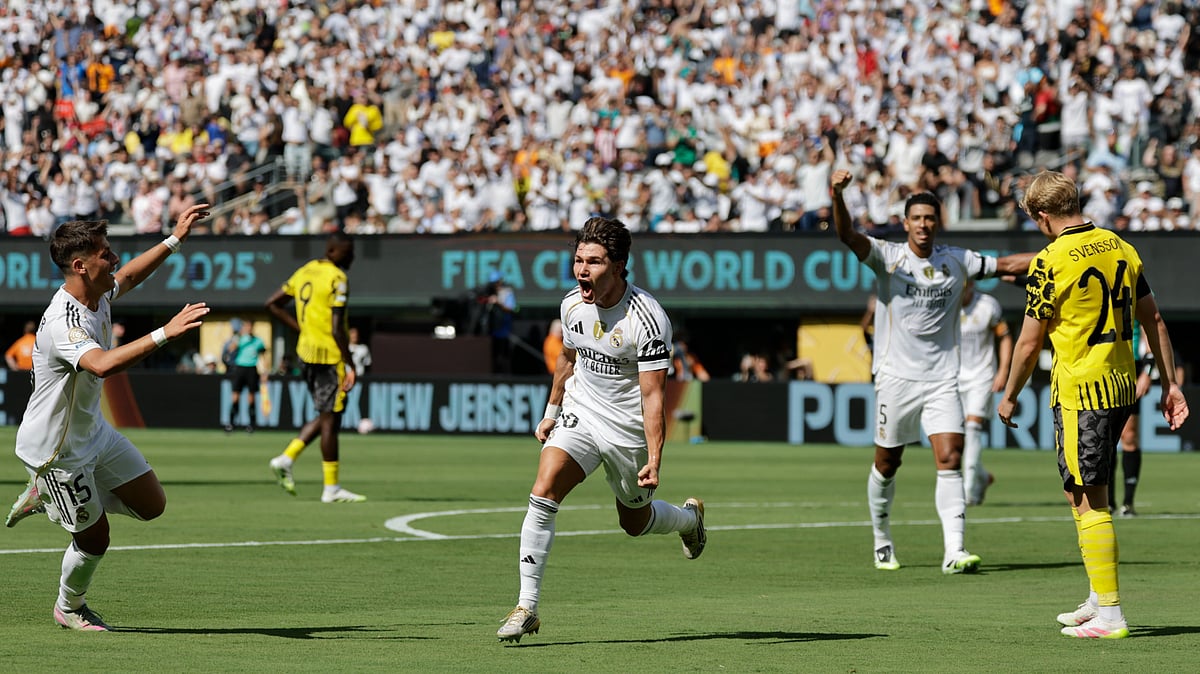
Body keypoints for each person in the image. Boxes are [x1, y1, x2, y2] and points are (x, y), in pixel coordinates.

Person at [998, 170, 1189, 639]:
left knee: (1090, 499)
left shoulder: (1049, 260)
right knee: (1079, 491)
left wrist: (1008, 394)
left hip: (1083, 391)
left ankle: (1111, 615)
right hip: (1122, 385)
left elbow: (1027, 343)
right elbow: (1154, 318)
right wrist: (1170, 383)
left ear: (1042, 217)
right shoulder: (1120, 246)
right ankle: (1096, 594)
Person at [496, 217, 705, 644]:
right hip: (581, 413)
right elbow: (567, 361)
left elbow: (652, 397)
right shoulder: (572, 304)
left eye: (593, 261)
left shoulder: (647, 320)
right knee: (543, 489)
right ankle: (526, 606)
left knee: (634, 521)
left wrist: (655, 458)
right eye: (578, 260)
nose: (581, 270)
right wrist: (552, 410)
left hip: (626, 429)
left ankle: (688, 520)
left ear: (619, 265)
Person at [3, 205, 211, 632]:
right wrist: (164, 333)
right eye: (105, 253)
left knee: (153, 505)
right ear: (80, 265)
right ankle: (70, 607)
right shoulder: (65, 320)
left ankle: (52, 500)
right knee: (95, 538)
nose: (114, 259)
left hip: (92, 433)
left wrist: (175, 239)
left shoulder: (96, 293)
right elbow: (99, 365)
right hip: (56, 453)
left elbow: (130, 276)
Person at [830, 169, 1032, 575]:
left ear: (938, 223)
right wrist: (836, 194)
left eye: (930, 218)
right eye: (917, 218)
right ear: (905, 223)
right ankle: (882, 540)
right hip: (895, 379)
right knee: (887, 463)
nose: (923, 224)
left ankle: (954, 551)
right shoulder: (888, 258)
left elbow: (1007, 263)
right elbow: (847, 234)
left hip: (943, 380)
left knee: (950, 457)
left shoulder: (956, 260)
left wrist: (1062, 248)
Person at [264, 232, 364, 503]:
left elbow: (272, 304)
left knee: (327, 413)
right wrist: (350, 362)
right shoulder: (338, 279)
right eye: (348, 251)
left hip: (305, 354)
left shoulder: (306, 269)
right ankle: (331, 488)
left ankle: (286, 458)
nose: (353, 256)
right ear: (333, 251)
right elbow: (336, 328)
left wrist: (302, 330)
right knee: (332, 420)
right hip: (330, 357)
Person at [959, 280, 1012, 506]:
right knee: (957, 436)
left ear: (970, 285)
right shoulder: (945, 303)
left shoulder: (988, 305)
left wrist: (1003, 371)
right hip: (953, 376)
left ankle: (967, 492)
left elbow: (1005, 336)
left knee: (973, 428)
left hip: (982, 376)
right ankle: (981, 476)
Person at [223, 318, 267, 433]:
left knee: (251, 397)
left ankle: (251, 424)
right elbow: (230, 349)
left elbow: (263, 357)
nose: (248, 329)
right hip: (240, 368)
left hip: (252, 369)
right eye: (246, 327)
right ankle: (231, 423)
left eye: (250, 327)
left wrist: (264, 372)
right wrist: (239, 338)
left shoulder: (258, 341)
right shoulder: (240, 339)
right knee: (235, 396)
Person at [485, 271, 518, 374]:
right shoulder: (489, 293)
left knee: (504, 356)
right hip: (491, 331)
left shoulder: (507, 292)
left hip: (504, 331)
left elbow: (511, 308)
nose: (495, 285)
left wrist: (498, 302)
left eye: (496, 282)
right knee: (492, 357)